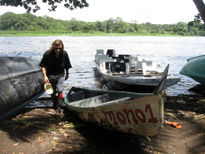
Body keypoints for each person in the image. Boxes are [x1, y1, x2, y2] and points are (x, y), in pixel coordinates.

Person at [39, 39, 72, 115]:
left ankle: (59, 108)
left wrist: (67, 73)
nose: (57, 50)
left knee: (60, 89)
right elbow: (42, 66)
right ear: (53, 47)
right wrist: (45, 77)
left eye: (60, 49)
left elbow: (67, 65)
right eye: (56, 48)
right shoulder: (47, 54)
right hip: (50, 74)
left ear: (62, 48)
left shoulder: (64, 54)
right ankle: (55, 103)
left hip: (60, 74)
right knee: (52, 91)